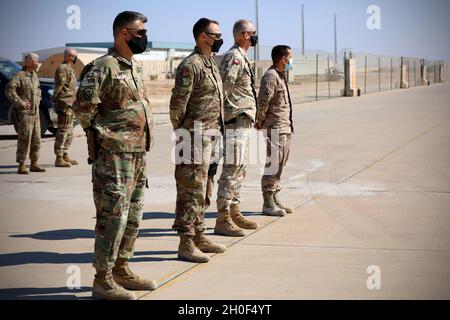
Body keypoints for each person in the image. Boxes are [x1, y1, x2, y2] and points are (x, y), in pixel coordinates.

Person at [73, 11, 156, 300]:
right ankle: (103, 279)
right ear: (124, 33)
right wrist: (107, 138)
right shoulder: (101, 68)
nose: (144, 37)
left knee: (133, 216)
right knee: (113, 217)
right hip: (114, 158)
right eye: (140, 32)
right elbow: (83, 110)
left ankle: (121, 269)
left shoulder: (134, 67)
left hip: (137, 155)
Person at [170, 18, 227, 263]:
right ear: (203, 36)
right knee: (190, 192)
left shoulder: (211, 64)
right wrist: (187, 133)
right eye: (216, 35)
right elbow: (177, 107)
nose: (219, 38)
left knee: (205, 190)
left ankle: (199, 236)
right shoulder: (190, 65)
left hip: (211, 138)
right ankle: (185, 243)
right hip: (193, 139)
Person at [215, 19, 259, 237]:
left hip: (244, 118)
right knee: (232, 169)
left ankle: (234, 211)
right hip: (235, 118)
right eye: (252, 32)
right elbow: (224, 86)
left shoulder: (242, 57)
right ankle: (223, 219)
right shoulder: (234, 57)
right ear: (243, 35)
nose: (255, 35)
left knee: (240, 168)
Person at [255, 45, 295, 217]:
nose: (291, 61)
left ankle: (275, 197)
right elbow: (263, 102)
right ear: (282, 59)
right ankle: (267, 202)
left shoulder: (280, 76)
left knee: (280, 163)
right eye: (290, 58)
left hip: (284, 126)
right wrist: (260, 120)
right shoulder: (271, 76)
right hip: (275, 127)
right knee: (273, 164)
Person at [5, 52, 46, 174]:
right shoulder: (20, 76)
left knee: (36, 139)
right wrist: (20, 102)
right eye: (36, 61)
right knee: (24, 139)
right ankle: (21, 165)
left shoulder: (35, 75)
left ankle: (34, 163)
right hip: (25, 114)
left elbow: (37, 91)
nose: (38, 63)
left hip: (35, 113)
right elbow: (9, 89)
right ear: (29, 61)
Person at [53, 48, 79, 168]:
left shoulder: (70, 69)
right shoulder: (62, 69)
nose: (73, 58)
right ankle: (59, 158)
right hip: (64, 105)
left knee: (69, 132)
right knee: (63, 131)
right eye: (71, 56)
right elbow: (60, 86)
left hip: (71, 104)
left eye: (74, 56)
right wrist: (56, 100)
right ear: (66, 56)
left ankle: (65, 154)